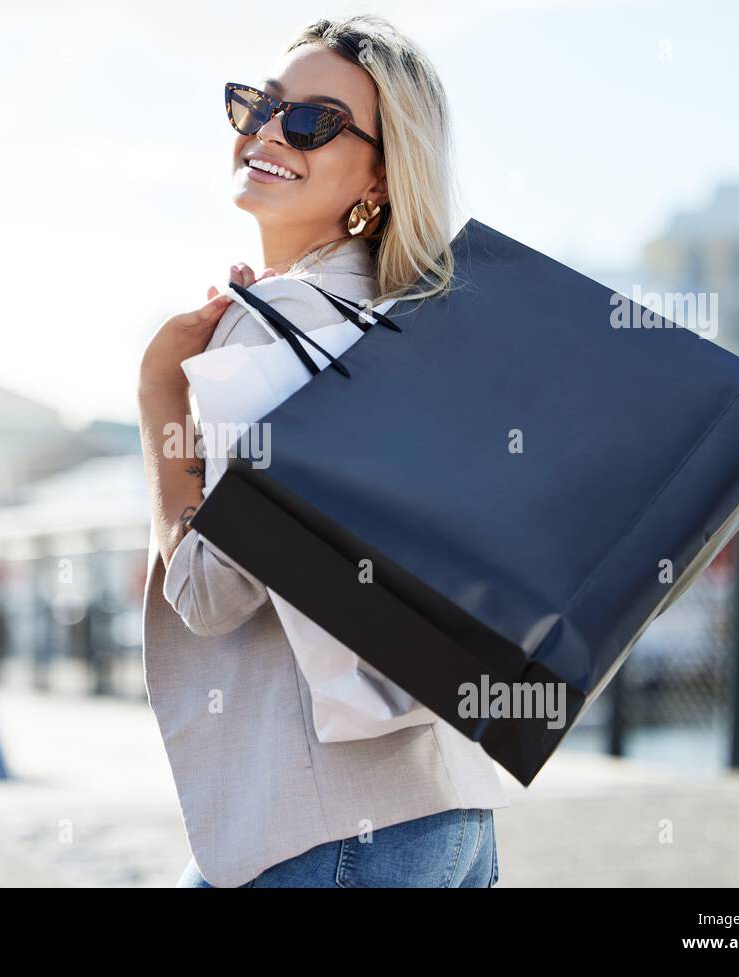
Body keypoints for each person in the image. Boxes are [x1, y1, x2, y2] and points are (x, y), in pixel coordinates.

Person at [137, 14, 509, 889]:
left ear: (381, 172)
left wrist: (160, 392)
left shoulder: (273, 329)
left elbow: (208, 593)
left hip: (321, 826)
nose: (269, 130)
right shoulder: (419, 322)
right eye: (262, 105)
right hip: (453, 814)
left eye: (311, 121)